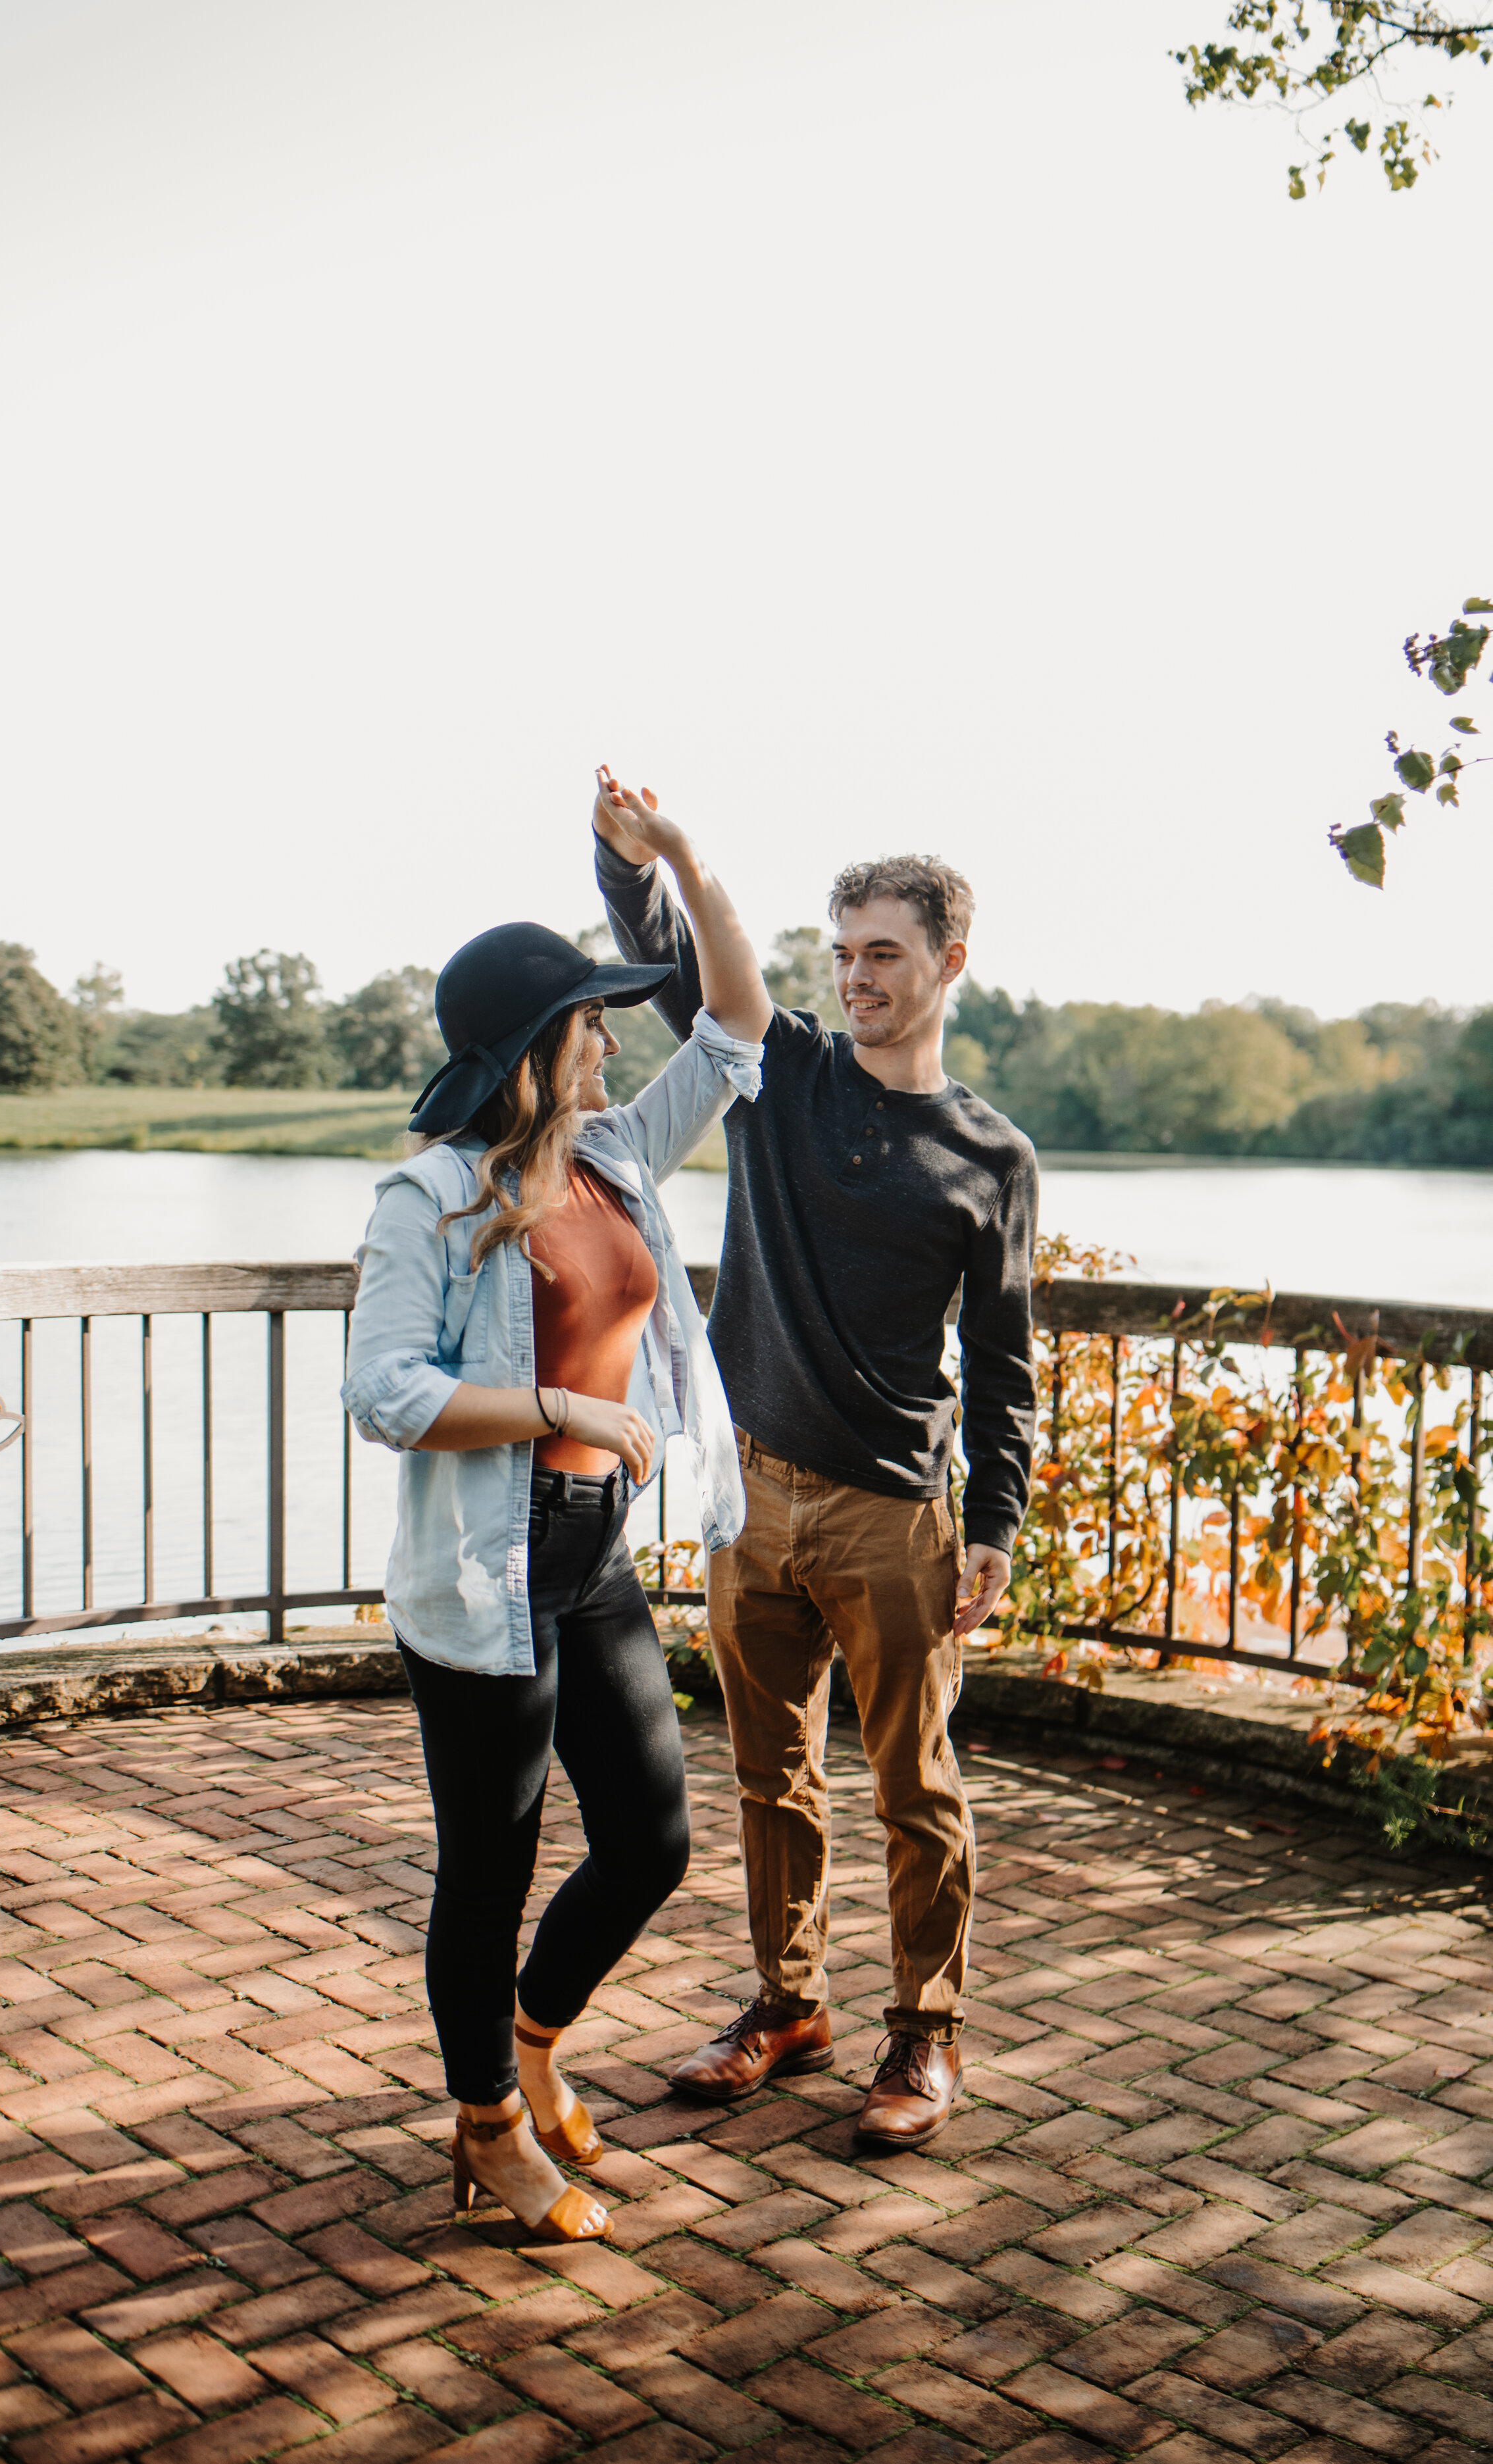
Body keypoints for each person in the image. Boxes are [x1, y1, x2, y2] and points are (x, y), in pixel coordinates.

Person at [343, 779, 769, 2245]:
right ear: (538, 1043)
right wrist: (560, 1409)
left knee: (649, 1838)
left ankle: (530, 2042)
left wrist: (685, 863)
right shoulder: (434, 1198)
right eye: (590, 1018)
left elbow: (735, 1029)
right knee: (490, 1862)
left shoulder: (613, 1157)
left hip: (593, 1557)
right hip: (485, 1561)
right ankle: (483, 2131)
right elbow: (384, 1388)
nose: (610, 1035)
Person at [595, 799, 1036, 2148]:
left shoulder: (989, 1158)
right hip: (750, 1490)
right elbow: (674, 962)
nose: (853, 979)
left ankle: (923, 2034)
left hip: (894, 1510)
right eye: (842, 952)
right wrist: (635, 857)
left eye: (883, 955)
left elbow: (1004, 1358)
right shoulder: (778, 1069)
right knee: (766, 1770)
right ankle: (788, 2005)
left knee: (916, 1784)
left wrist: (995, 1522)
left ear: (947, 964)